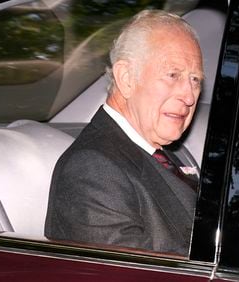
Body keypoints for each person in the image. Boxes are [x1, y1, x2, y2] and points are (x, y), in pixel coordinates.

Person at [45, 10, 204, 256]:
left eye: (195, 80)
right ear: (127, 78)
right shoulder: (92, 170)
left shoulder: (170, 153)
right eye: (173, 75)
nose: (189, 95)